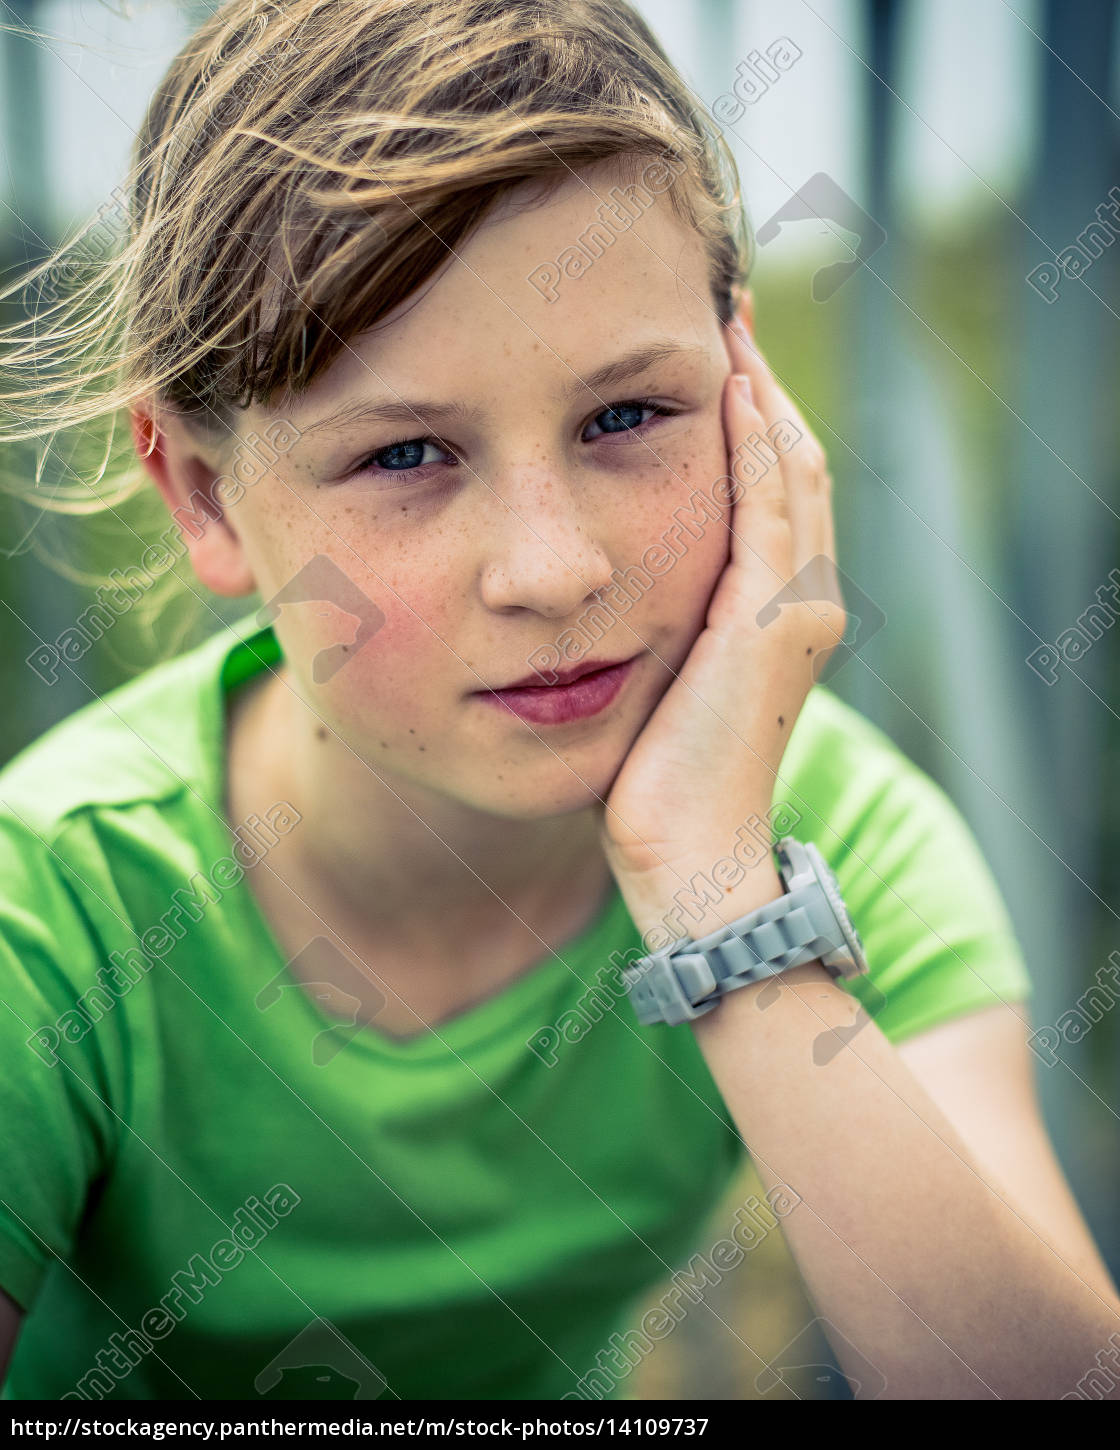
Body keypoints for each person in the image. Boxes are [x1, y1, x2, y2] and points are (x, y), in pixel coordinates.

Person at [0, 0, 1116, 1403]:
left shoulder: (826, 830)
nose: (554, 568)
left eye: (625, 417)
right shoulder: (55, 905)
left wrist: (718, 895)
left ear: (747, 399)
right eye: (407, 451)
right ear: (206, 493)